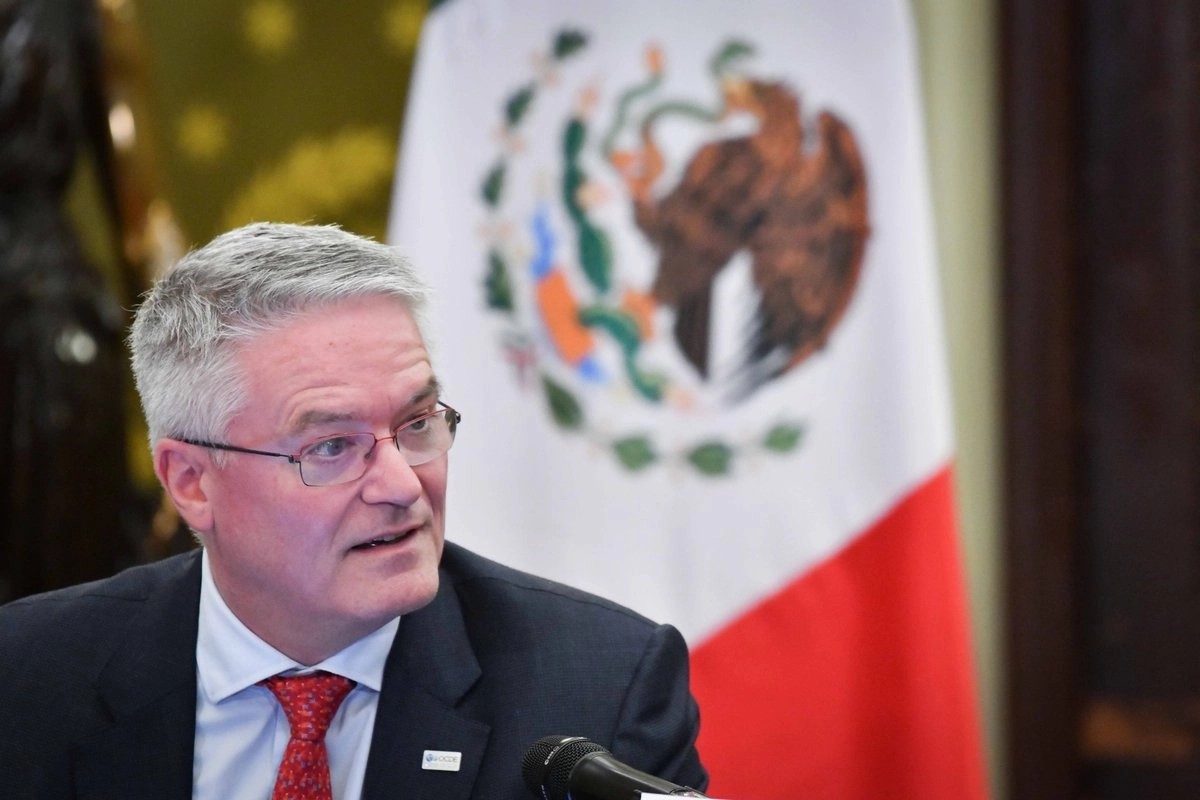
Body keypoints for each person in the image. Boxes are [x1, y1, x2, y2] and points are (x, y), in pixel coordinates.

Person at [0, 222, 707, 799]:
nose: (402, 484)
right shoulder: (26, 677)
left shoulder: (601, 693)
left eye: (418, 423)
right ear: (191, 482)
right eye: (332, 446)